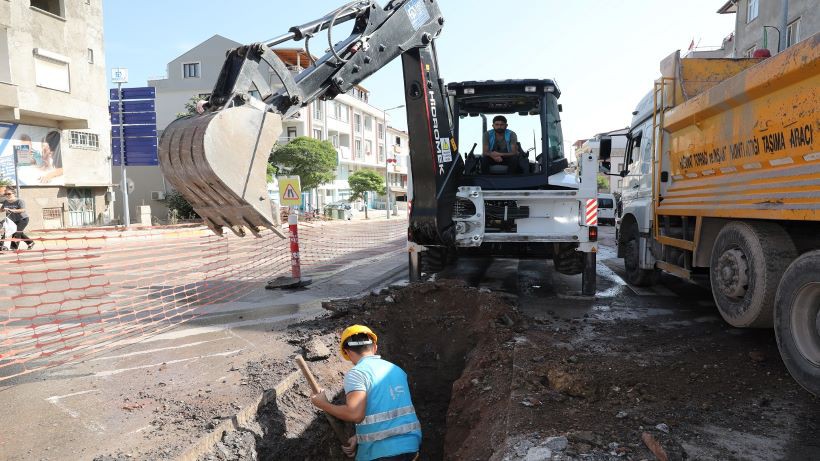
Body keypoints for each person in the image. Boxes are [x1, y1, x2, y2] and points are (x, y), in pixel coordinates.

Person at [310, 325, 422, 461]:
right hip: (411, 449)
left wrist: (324, 404)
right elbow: (389, 411)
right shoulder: (396, 370)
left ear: (347, 352)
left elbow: (355, 414)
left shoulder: (357, 374)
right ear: (374, 347)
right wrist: (360, 437)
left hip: (382, 454)